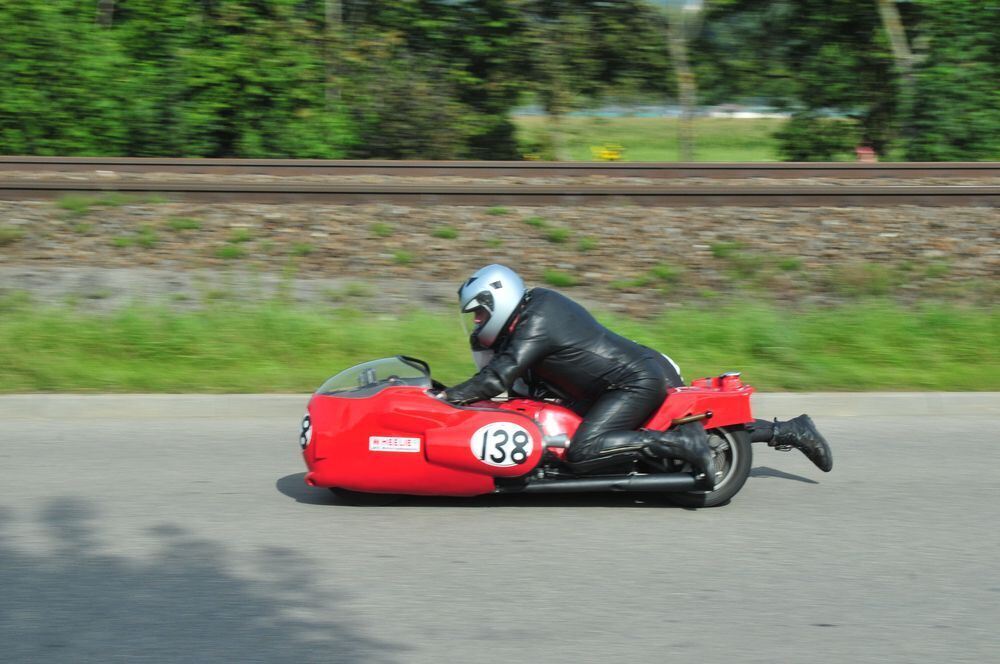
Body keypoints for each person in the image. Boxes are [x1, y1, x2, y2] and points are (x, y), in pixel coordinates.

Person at [443, 264, 832, 487]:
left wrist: (445, 399)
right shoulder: (535, 307)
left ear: (499, 299)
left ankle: (686, 448)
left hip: (629, 382)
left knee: (585, 452)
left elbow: (499, 377)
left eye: (479, 312)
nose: (477, 321)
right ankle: (789, 431)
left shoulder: (535, 322)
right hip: (621, 375)